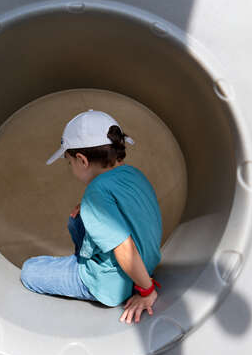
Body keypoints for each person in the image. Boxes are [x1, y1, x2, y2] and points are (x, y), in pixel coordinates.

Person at [20, 109, 162, 323]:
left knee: (29, 270)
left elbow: (123, 247)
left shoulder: (95, 194)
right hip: (146, 262)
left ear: (82, 160)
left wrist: (146, 290)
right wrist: (89, 210)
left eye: (69, 163)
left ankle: (84, 270)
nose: (71, 168)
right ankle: (88, 261)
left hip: (111, 283)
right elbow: (137, 214)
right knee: (77, 219)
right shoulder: (133, 174)